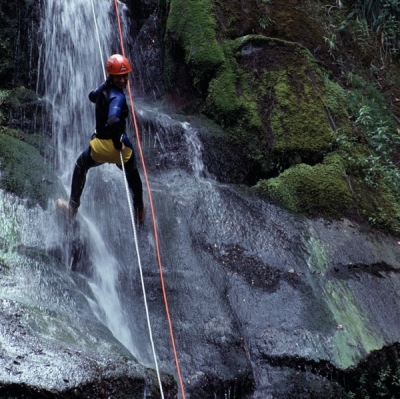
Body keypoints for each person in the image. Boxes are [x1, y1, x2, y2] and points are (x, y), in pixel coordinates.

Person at [56, 54, 146, 223]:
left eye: (125, 75)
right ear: (112, 75)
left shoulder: (104, 89)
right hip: (116, 147)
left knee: (81, 165)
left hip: (98, 147)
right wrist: (117, 142)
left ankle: (72, 207)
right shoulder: (118, 96)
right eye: (119, 76)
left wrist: (106, 83)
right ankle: (139, 208)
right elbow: (113, 120)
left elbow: (92, 96)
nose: (123, 80)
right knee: (133, 174)